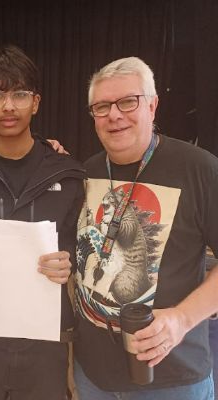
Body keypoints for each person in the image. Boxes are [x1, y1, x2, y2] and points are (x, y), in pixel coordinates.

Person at [74, 56, 218, 399]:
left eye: (128, 101)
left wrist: (182, 319)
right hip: (93, 375)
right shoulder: (87, 171)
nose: (114, 115)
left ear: (152, 106)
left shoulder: (200, 169)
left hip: (171, 379)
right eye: (102, 106)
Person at [0, 45, 86, 400]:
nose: (8, 106)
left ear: (35, 103)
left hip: (45, 342)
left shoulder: (68, 175)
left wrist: (68, 261)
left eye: (20, 94)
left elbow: (79, 245)